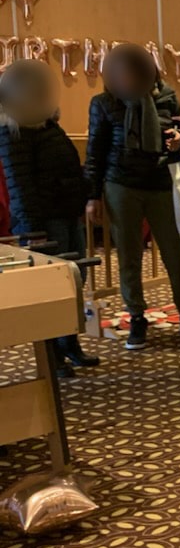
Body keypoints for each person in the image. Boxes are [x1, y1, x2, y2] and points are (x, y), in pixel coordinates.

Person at [85, 44, 180, 350]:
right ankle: (136, 316)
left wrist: (179, 138)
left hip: (161, 182)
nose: (127, 80)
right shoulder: (103, 103)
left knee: (175, 252)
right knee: (129, 255)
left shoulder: (166, 97)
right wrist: (92, 196)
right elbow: (95, 151)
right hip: (120, 184)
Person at [0, 59, 98, 376]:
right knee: (51, 289)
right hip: (43, 221)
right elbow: (20, 185)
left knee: (75, 279)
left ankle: (69, 344)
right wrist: (33, 230)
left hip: (66, 212)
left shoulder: (45, 123)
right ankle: (53, 355)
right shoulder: (12, 130)